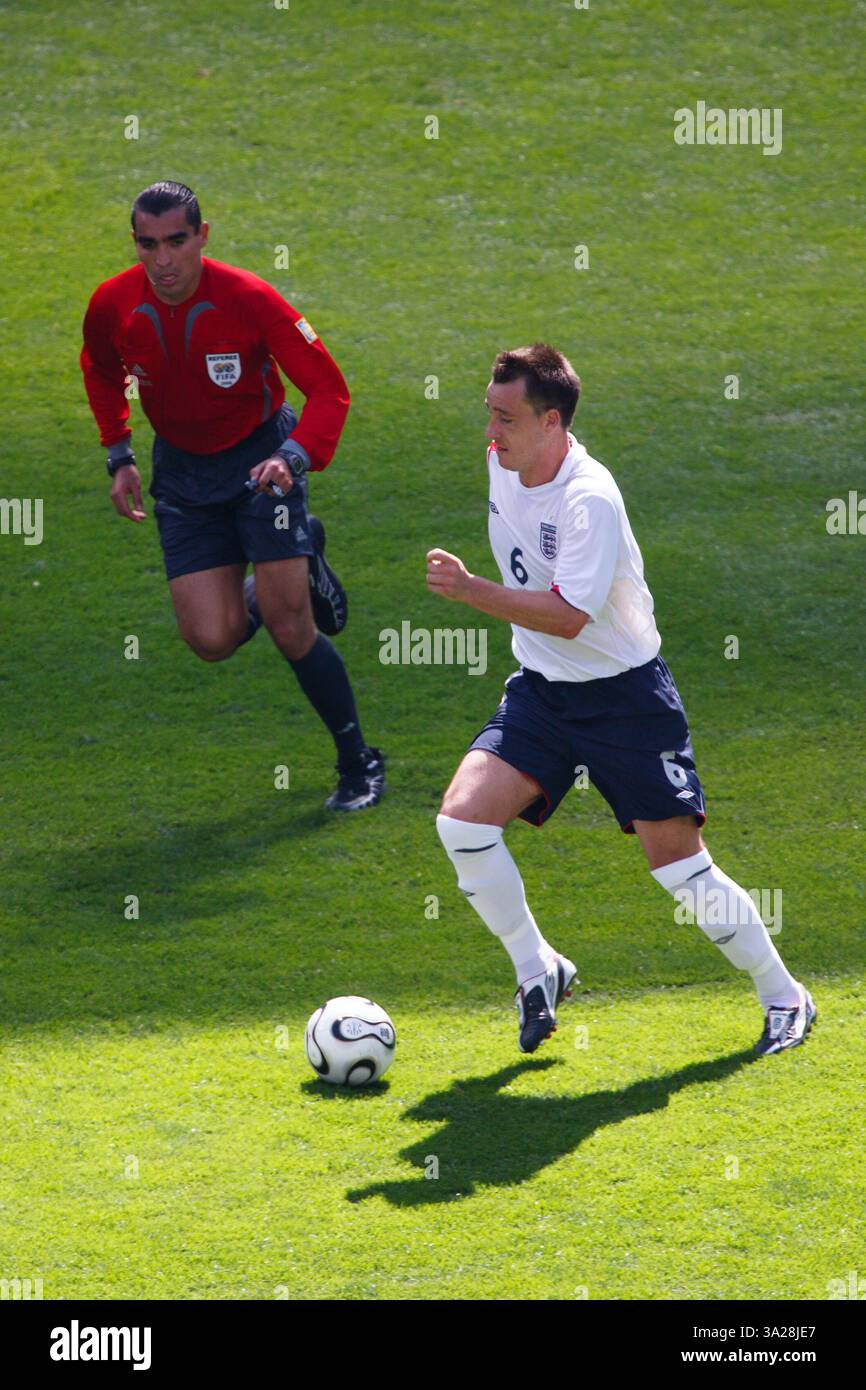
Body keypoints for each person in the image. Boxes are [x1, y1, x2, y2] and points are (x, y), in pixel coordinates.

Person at [427, 343, 815, 1055]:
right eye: (488, 412)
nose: (491, 431)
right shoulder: (504, 462)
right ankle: (538, 969)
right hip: (543, 693)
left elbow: (570, 614)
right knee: (463, 824)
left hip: (625, 702)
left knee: (678, 866)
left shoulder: (589, 499)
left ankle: (785, 996)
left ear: (552, 424)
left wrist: (471, 590)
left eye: (506, 418)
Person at [80, 180, 384, 811]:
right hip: (184, 478)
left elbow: (329, 391)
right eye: (147, 244)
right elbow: (99, 367)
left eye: (176, 241)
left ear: (202, 236)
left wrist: (292, 455)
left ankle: (359, 763)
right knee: (212, 640)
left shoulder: (249, 298)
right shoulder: (113, 304)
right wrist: (120, 453)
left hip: (261, 466)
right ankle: (305, 559)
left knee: (289, 625)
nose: (161, 259)